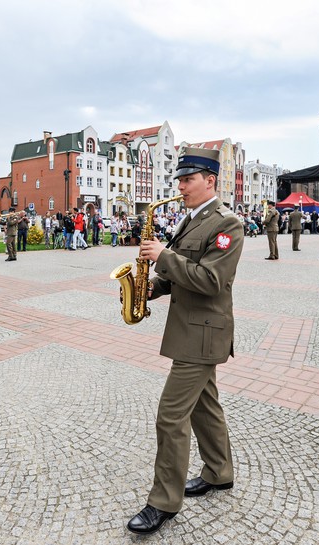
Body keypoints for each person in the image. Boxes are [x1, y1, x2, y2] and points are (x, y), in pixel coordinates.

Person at [127, 147, 244, 535]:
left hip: (204, 333)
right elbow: (181, 274)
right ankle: (219, 471)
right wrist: (151, 288)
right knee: (204, 406)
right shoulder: (191, 220)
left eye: (188, 179)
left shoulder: (227, 224)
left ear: (210, 181)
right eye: (179, 180)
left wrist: (162, 255)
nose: (180, 186)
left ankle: (164, 501)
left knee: (171, 415)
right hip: (191, 330)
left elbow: (210, 280)